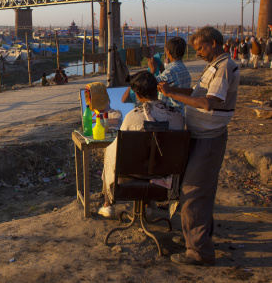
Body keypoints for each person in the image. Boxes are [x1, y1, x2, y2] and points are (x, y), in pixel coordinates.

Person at [158, 26, 239, 266]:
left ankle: (199, 252)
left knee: (193, 194)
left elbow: (206, 103)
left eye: (201, 48)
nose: (199, 53)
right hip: (200, 136)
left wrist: (174, 94)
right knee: (199, 192)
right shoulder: (215, 64)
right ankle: (199, 239)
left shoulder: (224, 67)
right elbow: (195, 93)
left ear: (213, 43)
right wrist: (171, 91)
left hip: (208, 139)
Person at [99, 70, 184, 218]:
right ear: (157, 89)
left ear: (137, 95)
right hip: (165, 173)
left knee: (110, 151)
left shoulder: (133, 117)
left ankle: (108, 204)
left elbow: (120, 150)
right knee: (152, 157)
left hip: (135, 173)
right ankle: (148, 204)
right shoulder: (177, 116)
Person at [155, 37, 191, 112]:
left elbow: (150, 82)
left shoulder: (170, 71)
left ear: (168, 52)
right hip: (181, 112)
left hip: (169, 112)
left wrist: (152, 70)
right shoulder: (183, 68)